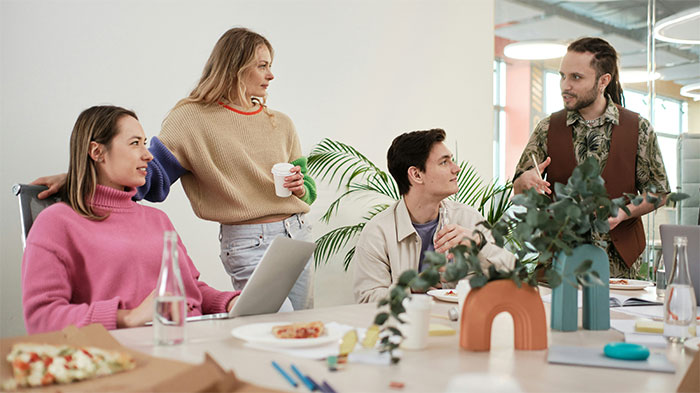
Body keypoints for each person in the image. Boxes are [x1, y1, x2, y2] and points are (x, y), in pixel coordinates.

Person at [32, 28, 316, 310]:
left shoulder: (281, 123)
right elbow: (149, 176)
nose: (271, 75)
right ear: (236, 67)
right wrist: (81, 176)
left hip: (296, 233)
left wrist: (302, 188)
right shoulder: (191, 119)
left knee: (302, 328)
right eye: (262, 66)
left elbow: (307, 191)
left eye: (270, 66)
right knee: (272, 323)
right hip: (248, 241)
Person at [22, 106, 240, 334]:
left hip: (191, 339)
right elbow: (41, 318)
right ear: (96, 152)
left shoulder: (158, 220)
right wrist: (128, 317)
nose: (148, 155)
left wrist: (230, 302)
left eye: (145, 143)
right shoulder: (57, 222)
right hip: (127, 352)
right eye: (135, 143)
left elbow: (189, 290)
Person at [512, 37, 669, 278]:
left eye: (576, 77)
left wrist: (623, 213)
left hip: (620, 269)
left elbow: (658, 193)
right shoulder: (547, 128)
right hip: (558, 263)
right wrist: (525, 182)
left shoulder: (638, 128)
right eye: (562, 76)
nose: (565, 85)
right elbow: (520, 187)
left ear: (603, 81)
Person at [352, 129, 515, 303]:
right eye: (444, 162)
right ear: (416, 174)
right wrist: (411, 288)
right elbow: (366, 299)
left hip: (460, 324)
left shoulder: (469, 219)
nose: (457, 169)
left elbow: (513, 276)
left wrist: (480, 244)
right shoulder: (378, 232)